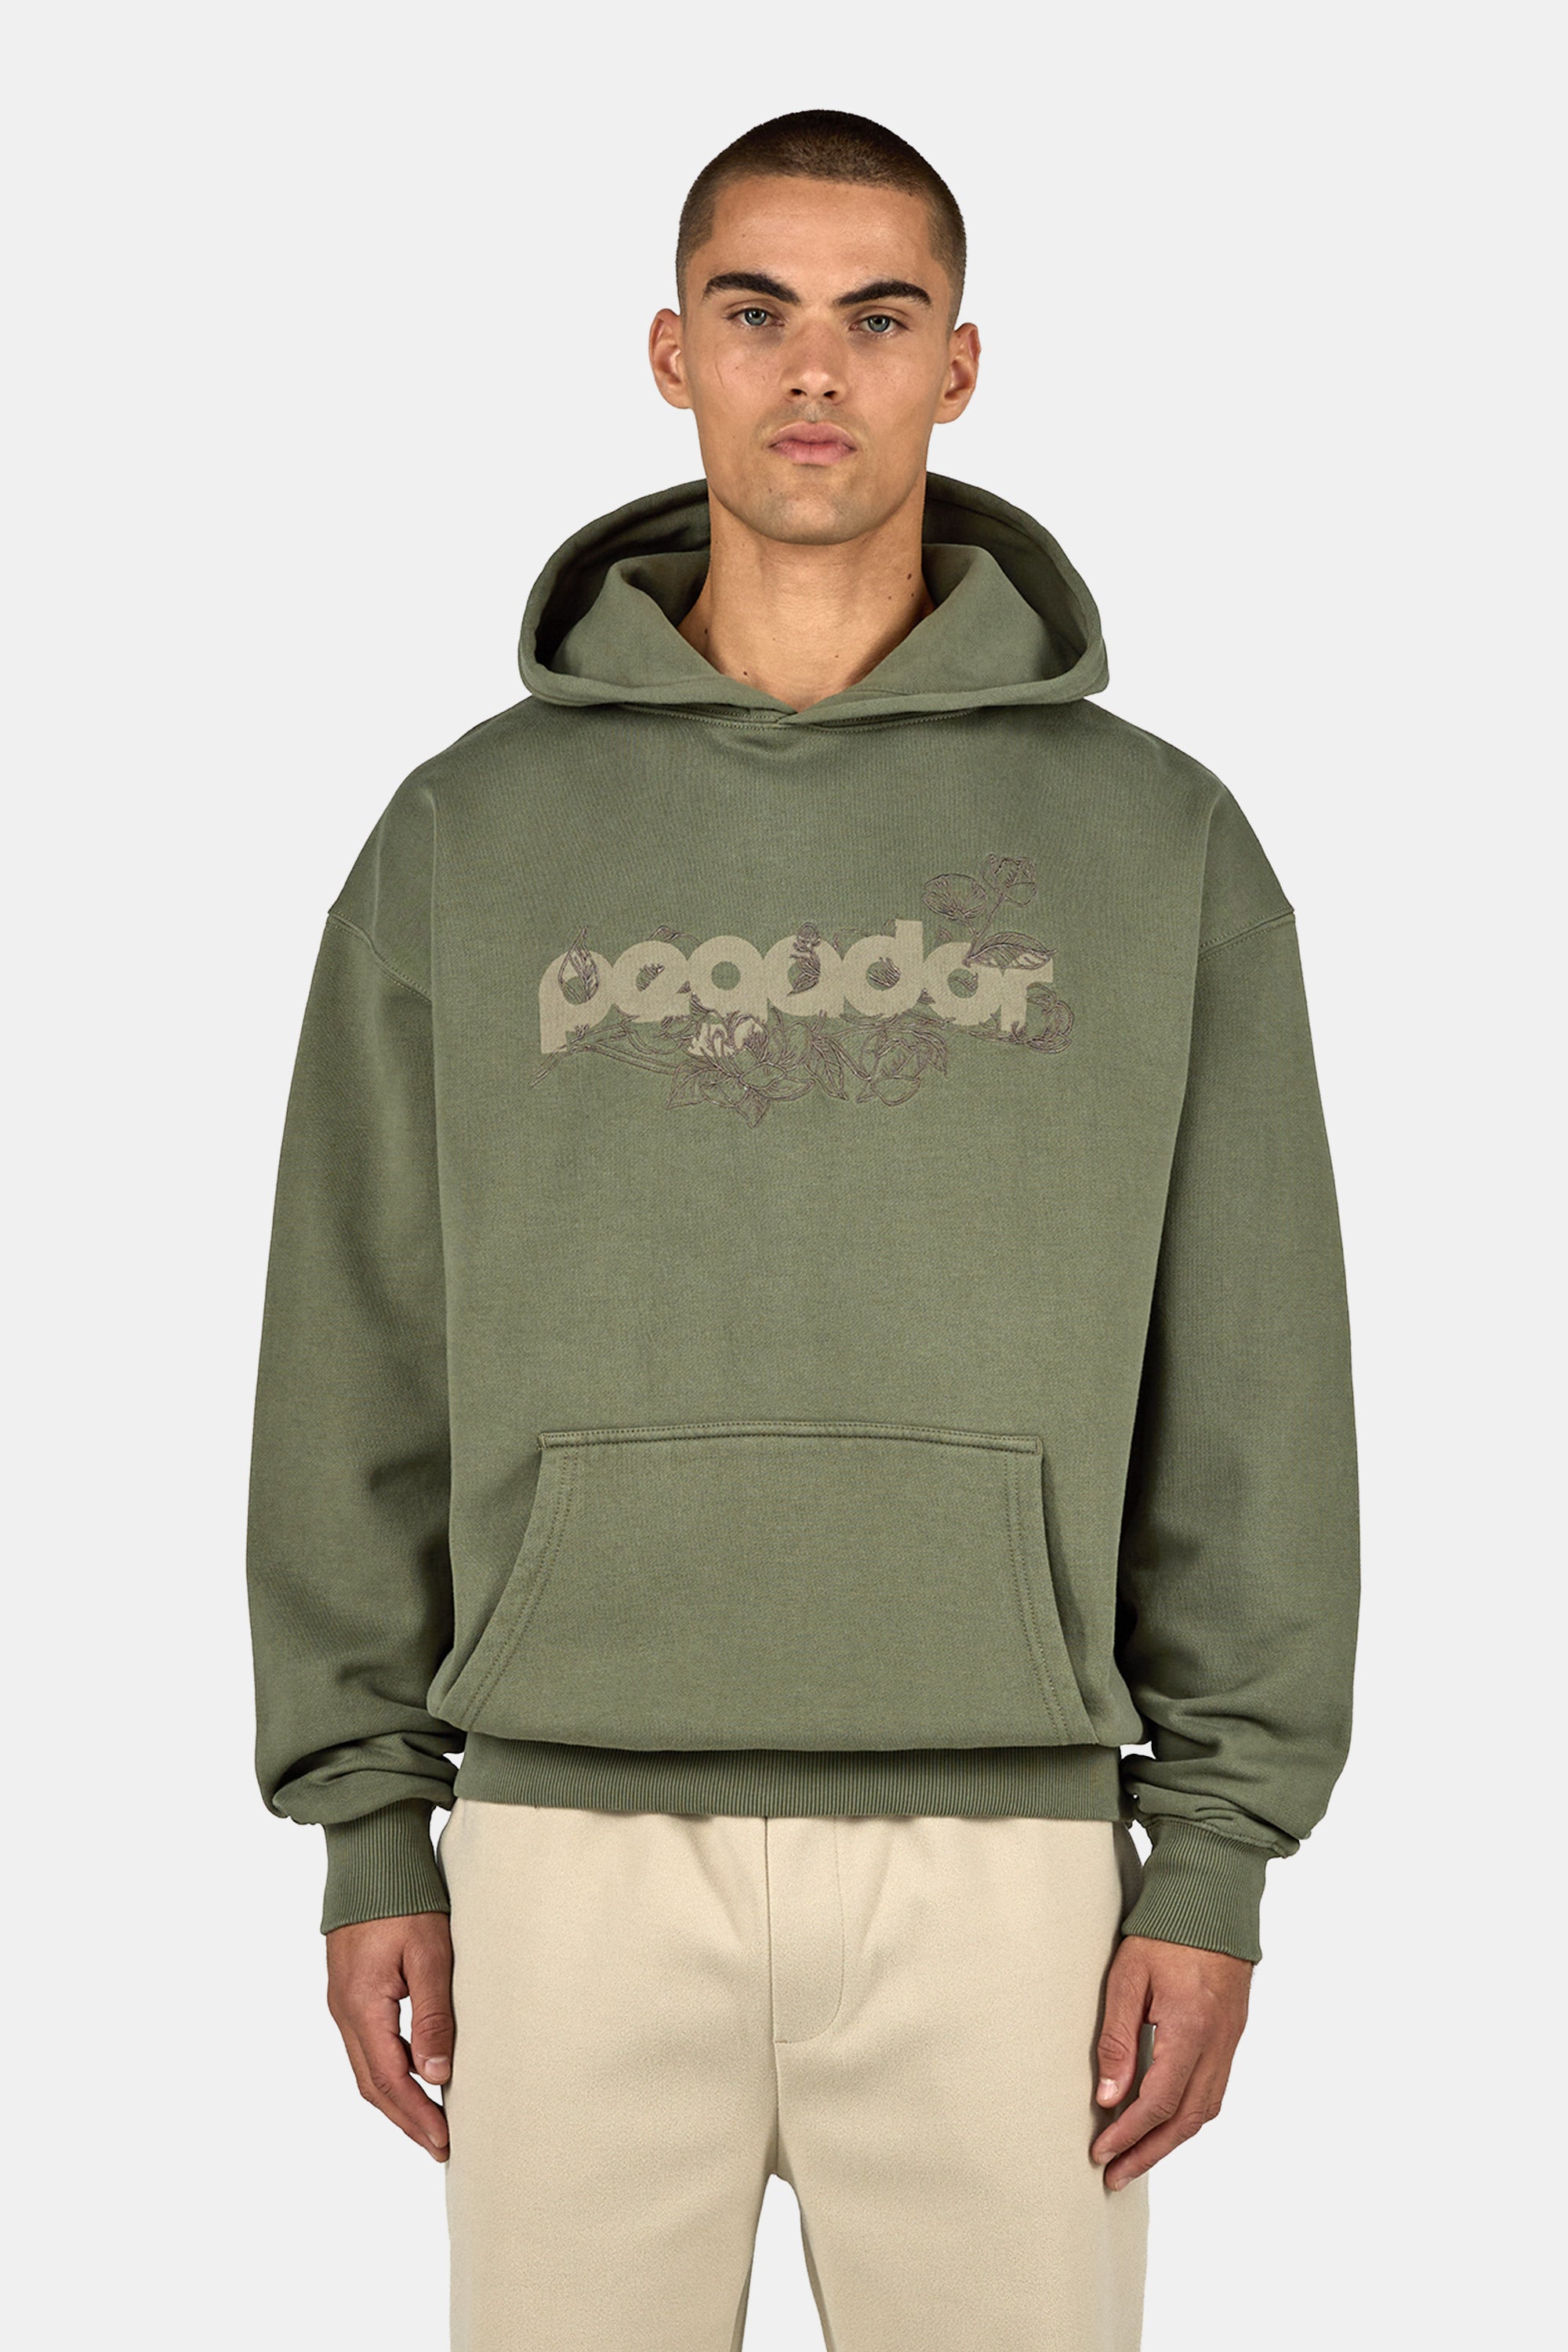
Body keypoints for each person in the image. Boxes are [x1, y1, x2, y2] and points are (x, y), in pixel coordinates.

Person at [245, 107, 1359, 2352]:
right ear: (673, 354)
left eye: (879, 316)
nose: (816, 370)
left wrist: (1217, 1857)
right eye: (756, 313)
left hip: (1013, 1868)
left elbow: (1253, 1371)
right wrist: (371, 1824)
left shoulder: (1157, 842)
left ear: (962, 363)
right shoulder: (471, 831)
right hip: (563, 1845)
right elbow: (357, 1336)